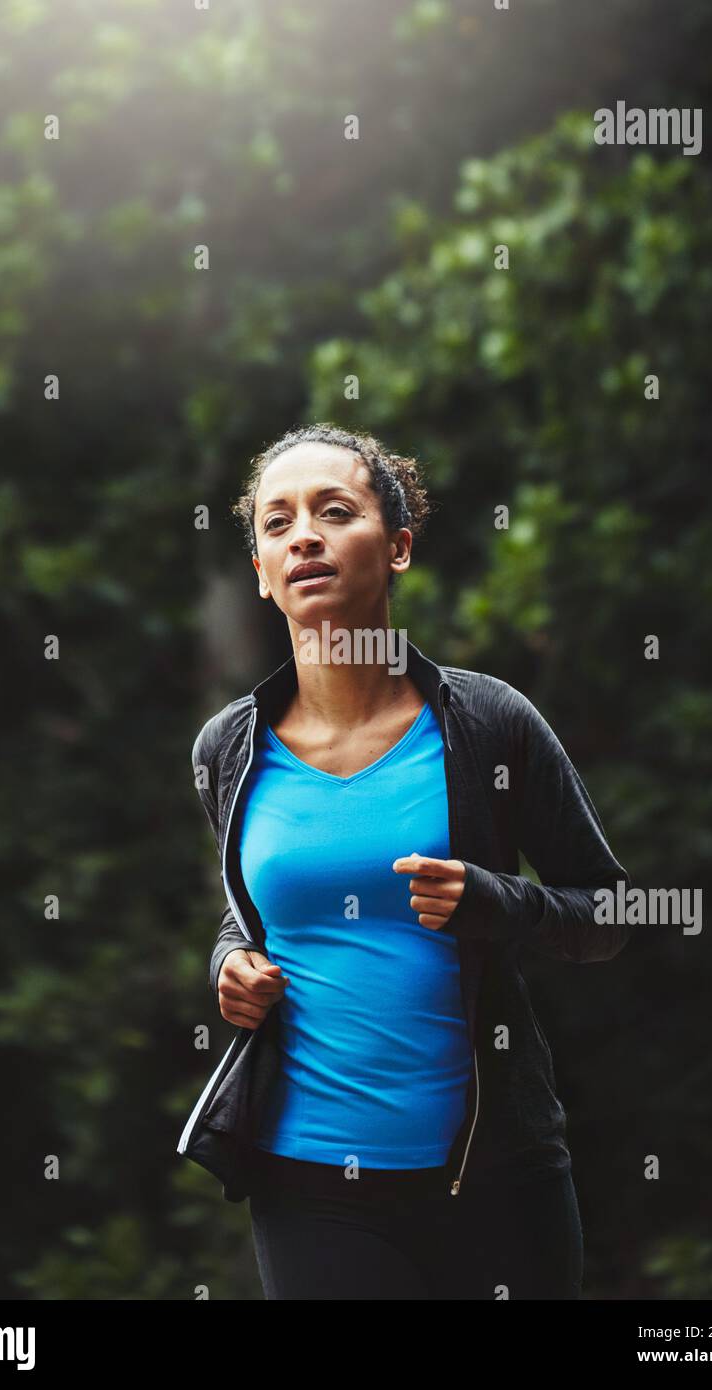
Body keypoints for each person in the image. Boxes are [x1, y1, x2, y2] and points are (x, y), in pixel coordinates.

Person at [180, 422, 633, 1300]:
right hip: (308, 1181)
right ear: (263, 576)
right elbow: (256, 908)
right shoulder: (226, 749)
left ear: (399, 547)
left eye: (334, 511)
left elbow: (609, 913)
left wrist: (500, 901)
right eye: (277, 524)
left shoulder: (489, 723)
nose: (303, 534)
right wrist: (228, 962)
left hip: (496, 1176)